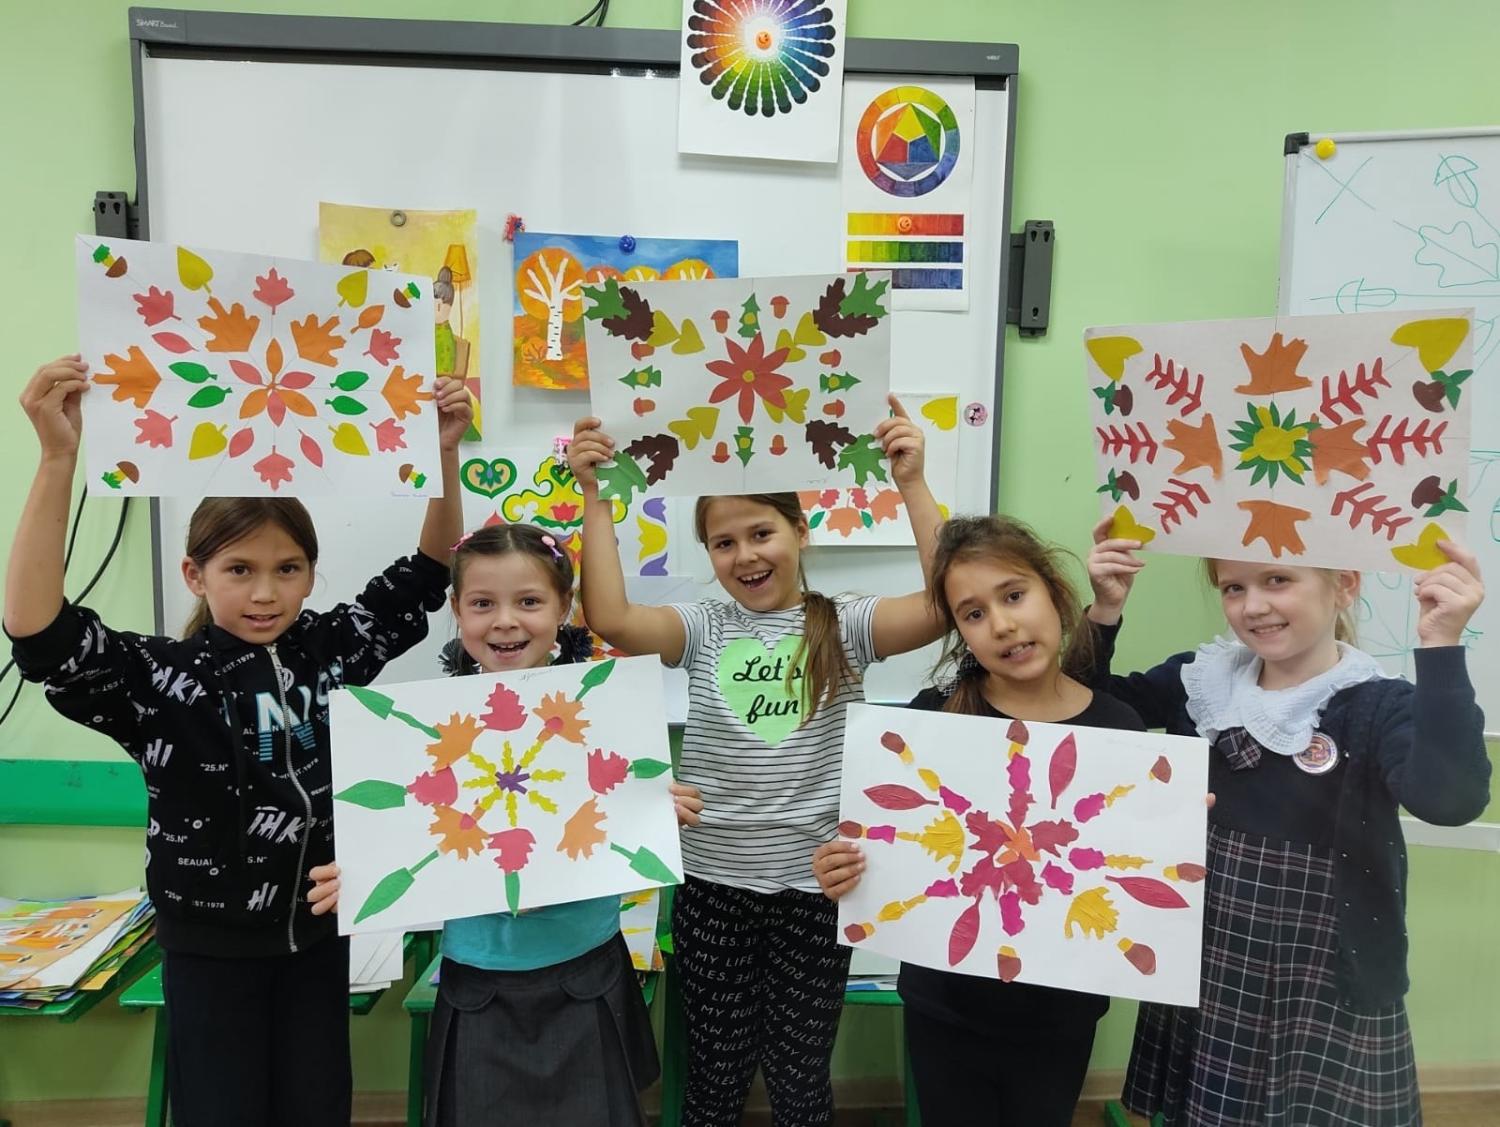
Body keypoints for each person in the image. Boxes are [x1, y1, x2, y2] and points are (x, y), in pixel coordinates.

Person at [3, 353, 471, 1127]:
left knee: (317, 1109)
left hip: (317, 944)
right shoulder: (161, 679)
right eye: (239, 568)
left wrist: (443, 452)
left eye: (287, 569)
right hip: (208, 957)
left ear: (311, 574)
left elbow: (429, 570)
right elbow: (41, 636)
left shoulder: (329, 650)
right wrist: (58, 459)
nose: (264, 591)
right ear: (195, 573)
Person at [566, 396, 945, 1126]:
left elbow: (943, 604)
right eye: (723, 542)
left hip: (817, 891)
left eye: (762, 532)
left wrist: (912, 483)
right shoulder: (703, 626)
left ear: (801, 530)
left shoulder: (844, 622)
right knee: (714, 1080)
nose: (744, 555)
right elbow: (609, 617)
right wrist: (596, 496)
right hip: (713, 887)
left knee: (801, 1084)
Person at [1084, 518, 1490, 1126]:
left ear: (1344, 585)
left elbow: (1451, 801)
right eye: (1234, 587)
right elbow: (1088, 713)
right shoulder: (1203, 680)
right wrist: (1105, 611)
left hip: (1323, 975)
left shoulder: (1377, 704)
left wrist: (1440, 647)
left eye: (1277, 579)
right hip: (1208, 955)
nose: (1253, 606)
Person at [308, 522, 703, 1126]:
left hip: (586, 967)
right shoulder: (427, 731)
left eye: (529, 601)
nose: (505, 622)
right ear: (456, 610)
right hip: (480, 979)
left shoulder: (606, 713)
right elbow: (405, 835)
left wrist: (656, 808)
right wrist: (359, 873)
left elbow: (618, 812)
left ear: (564, 607)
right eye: (482, 604)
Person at [813, 514, 1145, 1125]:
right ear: (959, 630)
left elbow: (1122, 868)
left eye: (1014, 595)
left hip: (1060, 1015)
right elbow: (887, 842)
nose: (1002, 624)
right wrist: (843, 867)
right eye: (973, 613)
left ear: (1055, 591)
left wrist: (1170, 839)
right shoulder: (930, 721)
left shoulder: (1118, 727)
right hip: (945, 1007)